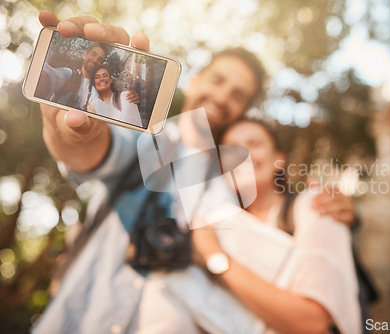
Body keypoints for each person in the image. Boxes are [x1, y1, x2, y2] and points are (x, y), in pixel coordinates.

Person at [33, 10, 359, 334]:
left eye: (238, 95)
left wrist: (340, 212)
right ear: (196, 79)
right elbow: (93, 151)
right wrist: (70, 133)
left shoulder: (232, 185)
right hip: (83, 318)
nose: (222, 97)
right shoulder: (144, 137)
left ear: (242, 111)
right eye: (218, 81)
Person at [191, 119, 362, 334]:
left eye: (254, 143)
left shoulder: (315, 205)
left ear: (279, 159)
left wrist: (214, 256)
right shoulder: (221, 224)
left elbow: (313, 322)